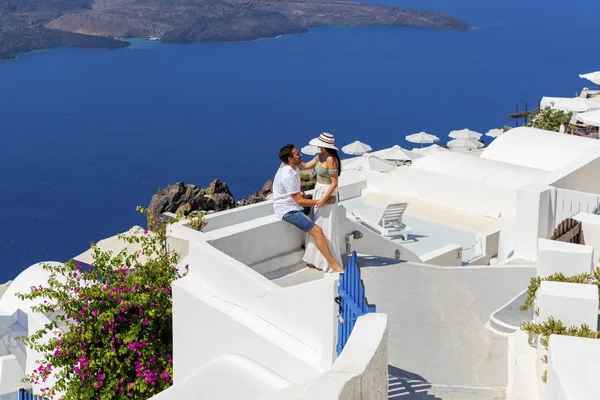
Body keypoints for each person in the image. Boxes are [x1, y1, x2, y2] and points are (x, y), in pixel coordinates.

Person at [273, 144, 344, 273]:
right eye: (297, 154)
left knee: (314, 220)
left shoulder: (288, 166)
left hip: (294, 205)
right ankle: (334, 265)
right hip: (288, 210)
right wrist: (324, 201)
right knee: (318, 231)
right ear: (290, 159)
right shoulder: (288, 175)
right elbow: (300, 201)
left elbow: (303, 166)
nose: (301, 155)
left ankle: (313, 258)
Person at [300, 133, 343, 272]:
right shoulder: (319, 156)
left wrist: (324, 199)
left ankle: (327, 262)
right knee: (317, 224)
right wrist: (290, 160)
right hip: (318, 190)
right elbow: (306, 166)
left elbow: (335, 183)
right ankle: (315, 259)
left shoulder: (331, 159)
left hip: (326, 192)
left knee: (325, 226)